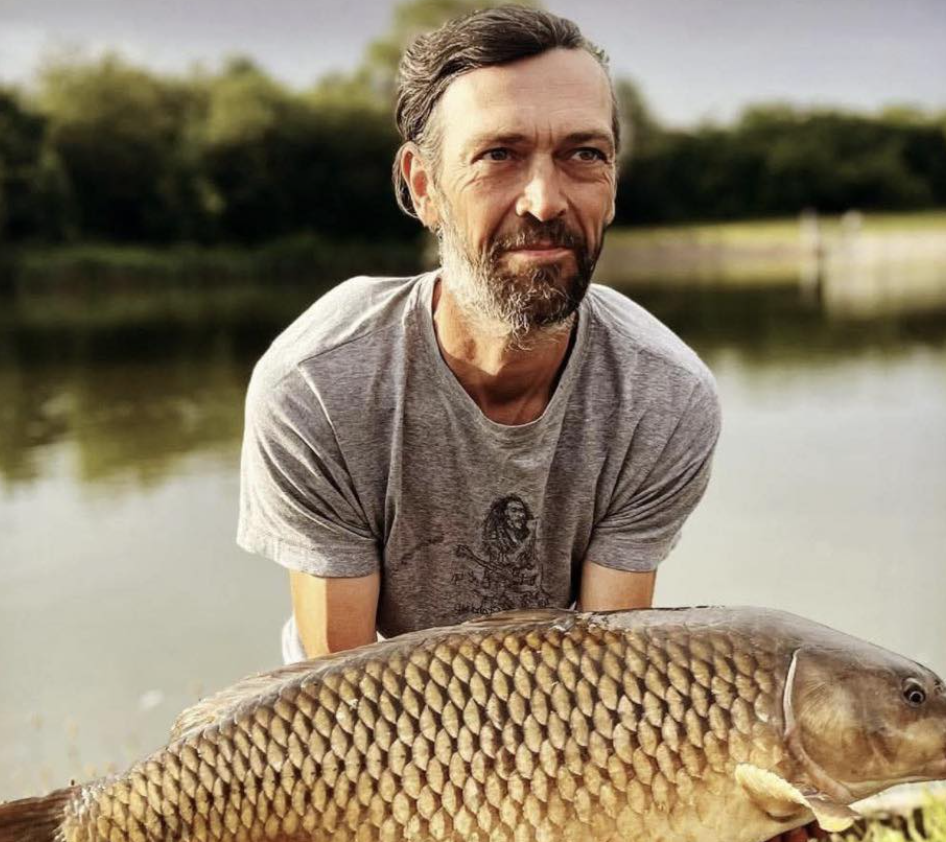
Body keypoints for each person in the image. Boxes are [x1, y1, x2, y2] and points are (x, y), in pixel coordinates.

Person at [239, 6, 717, 674]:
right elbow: (340, 691)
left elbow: (603, 677)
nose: (545, 201)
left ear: (612, 187)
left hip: (555, 704)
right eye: (499, 155)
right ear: (424, 188)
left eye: (584, 154)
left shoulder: (664, 395)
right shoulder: (316, 384)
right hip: (354, 719)